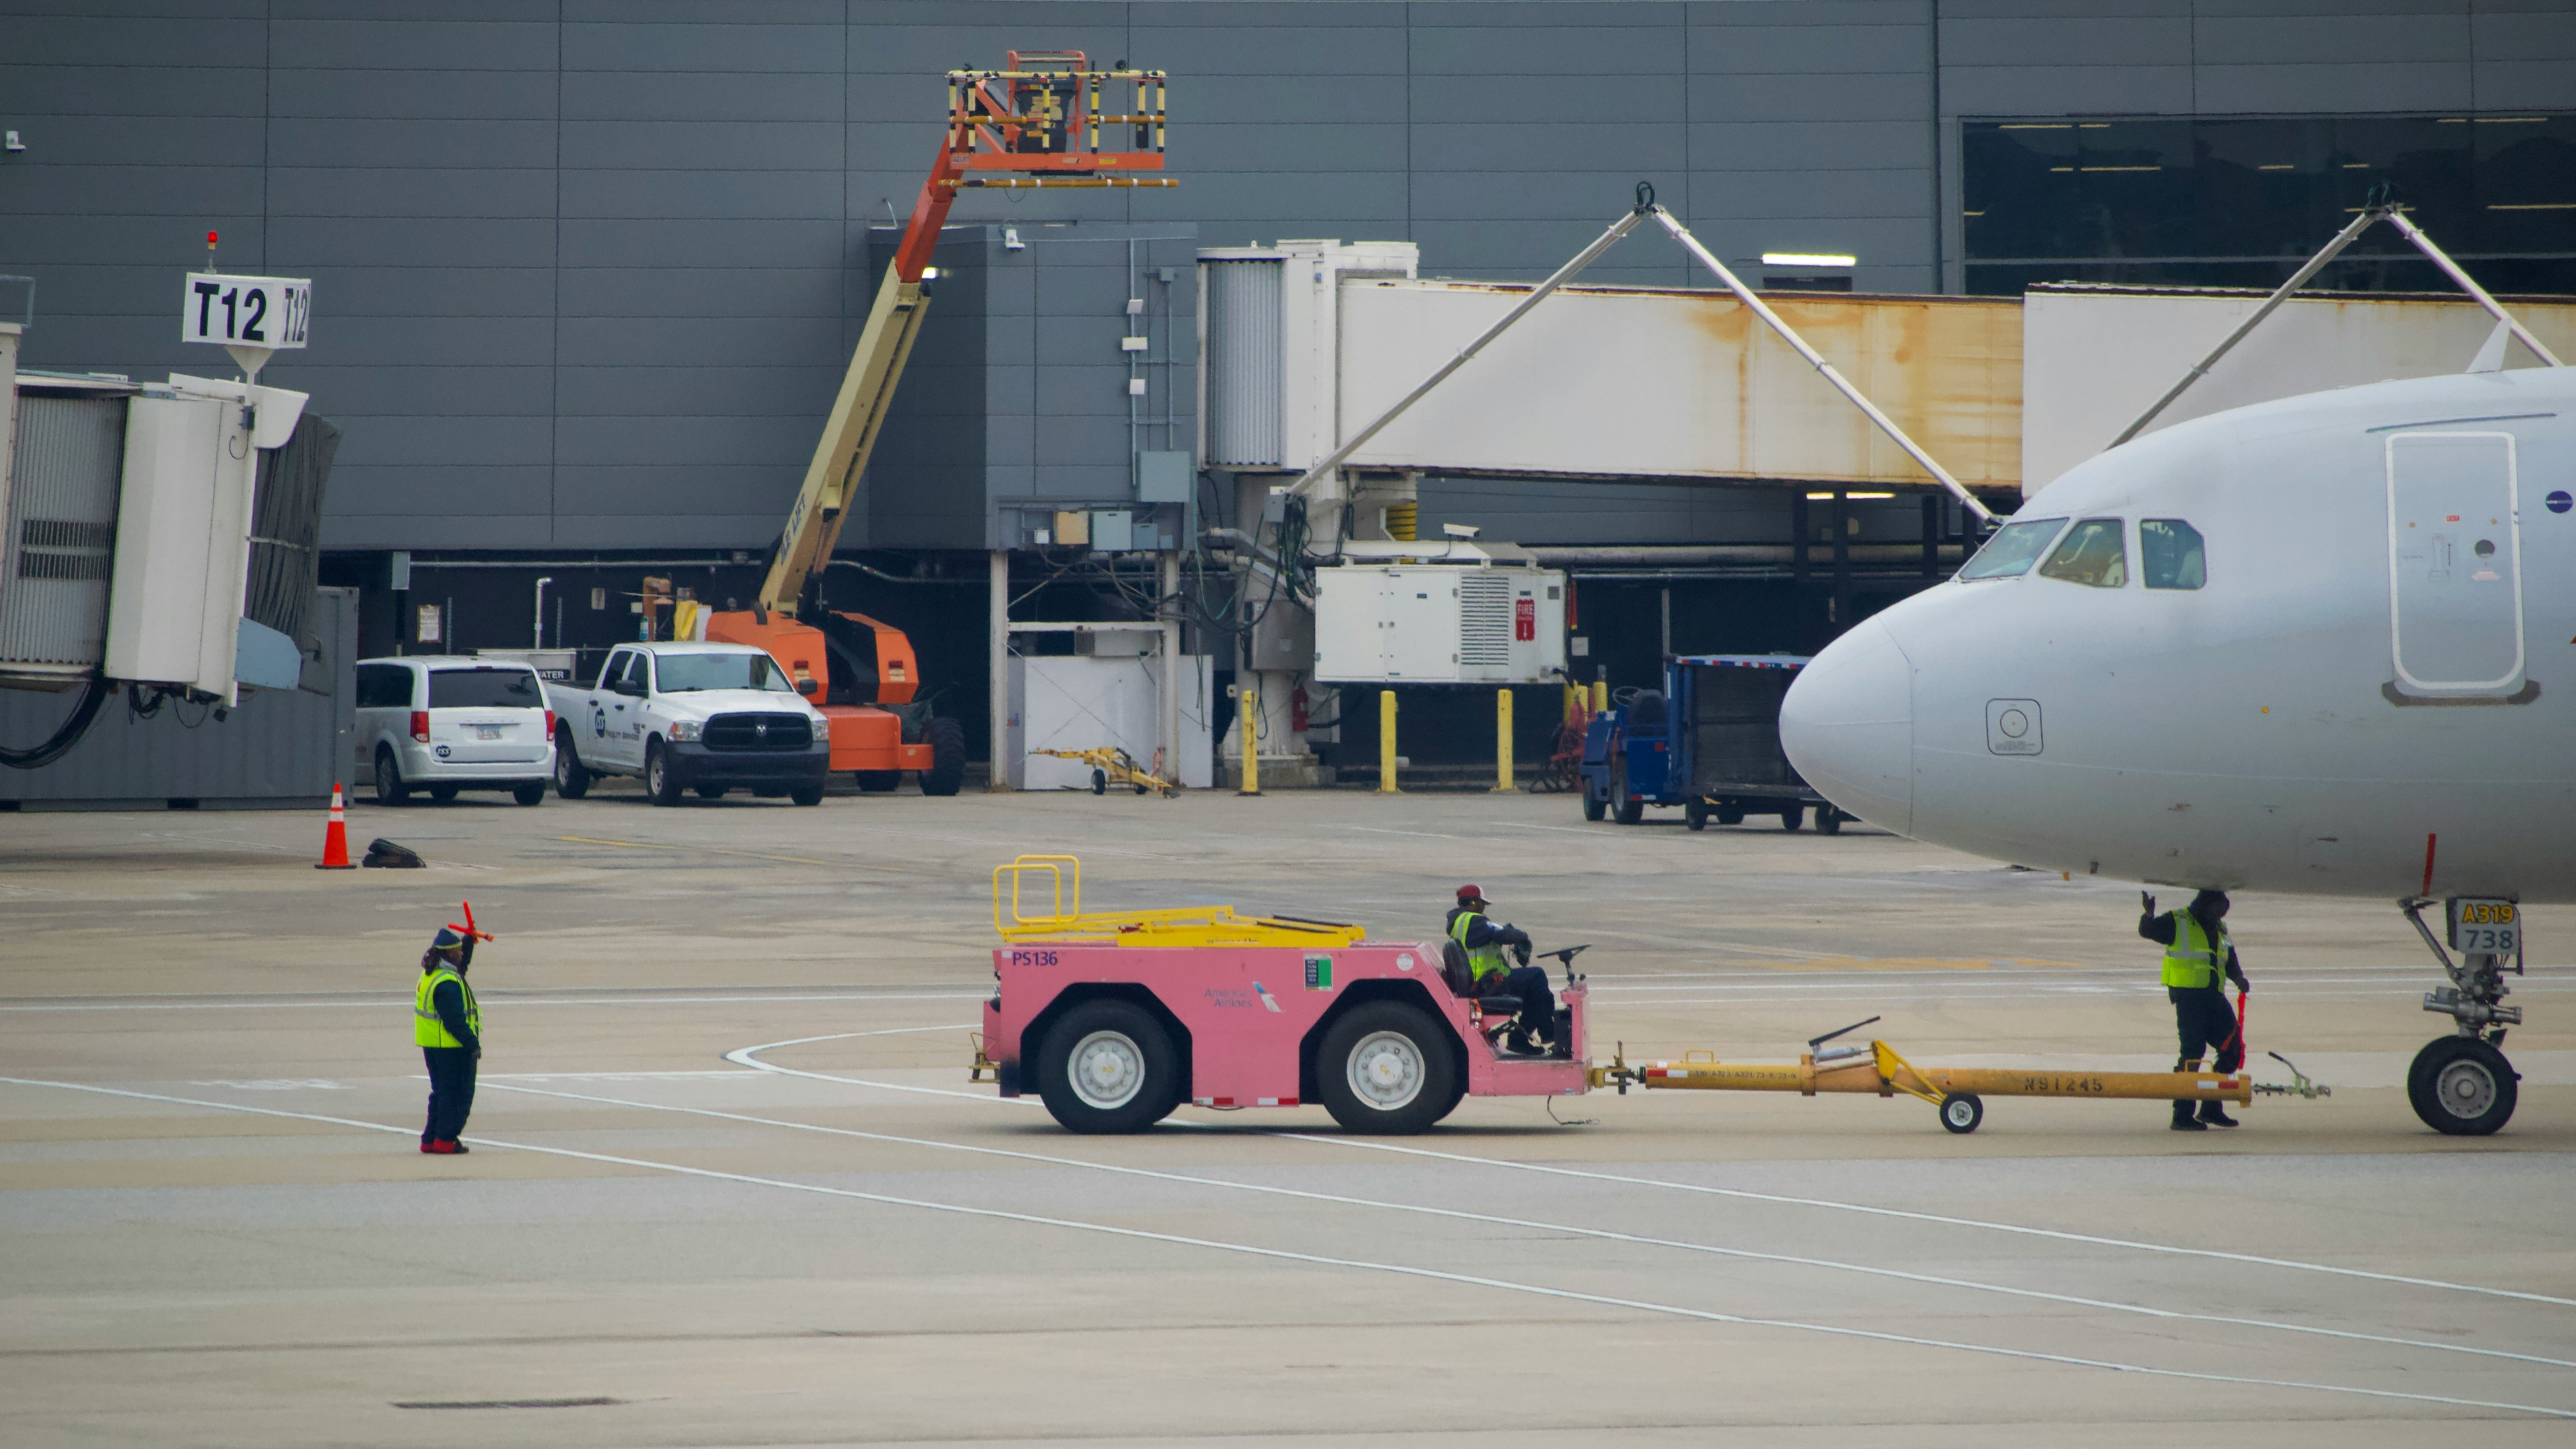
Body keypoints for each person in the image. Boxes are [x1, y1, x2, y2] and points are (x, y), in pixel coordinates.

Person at [2139, 888, 2248, 1131]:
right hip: (2189, 999)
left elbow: (2228, 957)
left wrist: (2238, 977)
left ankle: (2211, 1108)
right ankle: (2182, 1115)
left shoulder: (2220, 928)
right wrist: (2148, 915)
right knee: (2192, 1054)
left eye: (2224, 911)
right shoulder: (2178, 921)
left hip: (2214, 997)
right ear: (2205, 906)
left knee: (2233, 1049)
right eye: (2218, 910)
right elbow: (2149, 931)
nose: (2221, 915)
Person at [1446, 885, 1557, 1056]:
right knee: (1537, 977)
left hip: (1485, 982)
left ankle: (1522, 1038)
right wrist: (1521, 936)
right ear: (1473, 902)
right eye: (1482, 903)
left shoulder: (1462, 923)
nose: (1483, 908)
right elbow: (1501, 935)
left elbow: (1494, 933)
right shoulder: (1472, 921)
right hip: (1487, 985)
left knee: (1532, 985)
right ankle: (1546, 1034)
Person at [414, 924, 482, 1154]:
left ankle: (431, 1139)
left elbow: (460, 967)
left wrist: (468, 943)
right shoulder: (447, 984)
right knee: (458, 1095)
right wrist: (472, 1044)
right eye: (457, 951)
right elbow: (454, 1021)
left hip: (434, 1045)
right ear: (448, 954)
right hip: (452, 1047)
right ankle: (446, 1140)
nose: (461, 953)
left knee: (441, 1093)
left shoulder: (433, 973)